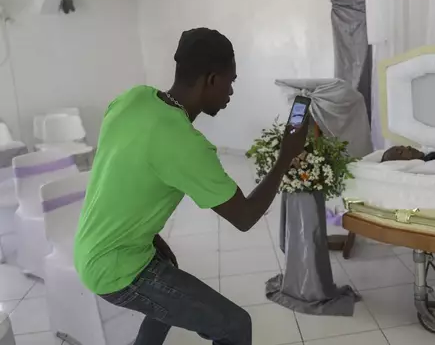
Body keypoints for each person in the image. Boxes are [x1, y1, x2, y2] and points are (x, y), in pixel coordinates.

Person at [74, 28, 309, 345]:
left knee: (166, 282)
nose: (231, 92)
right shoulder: (185, 144)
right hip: (116, 269)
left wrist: (148, 235)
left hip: (90, 247)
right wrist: (285, 157)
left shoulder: (132, 98)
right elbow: (245, 217)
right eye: (231, 81)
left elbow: (119, 173)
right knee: (235, 325)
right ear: (212, 79)